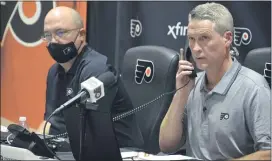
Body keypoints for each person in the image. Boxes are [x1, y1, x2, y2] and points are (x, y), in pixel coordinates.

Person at [159, 2, 271, 160]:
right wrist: (181, 94)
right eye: (191, 39)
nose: (196, 48)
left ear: (227, 38)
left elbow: (269, 153)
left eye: (204, 38)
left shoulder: (254, 88)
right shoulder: (192, 84)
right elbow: (166, 145)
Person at [37, 6, 144, 149]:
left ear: (81, 34)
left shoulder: (95, 70)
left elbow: (88, 134)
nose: (53, 41)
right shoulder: (54, 72)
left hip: (119, 152)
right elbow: (50, 123)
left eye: (60, 32)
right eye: (48, 35)